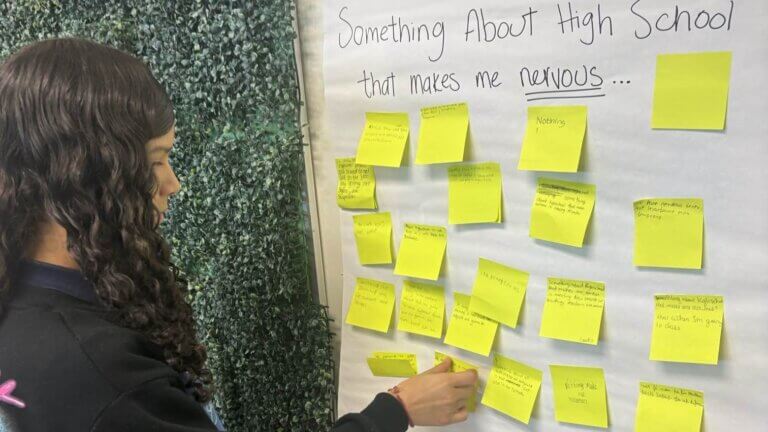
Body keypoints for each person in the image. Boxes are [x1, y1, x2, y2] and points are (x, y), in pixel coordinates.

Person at [0, 37, 477, 431]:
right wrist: (395, 411)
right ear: (84, 178)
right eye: (154, 162)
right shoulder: (103, 376)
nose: (172, 184)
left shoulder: (25, 304)